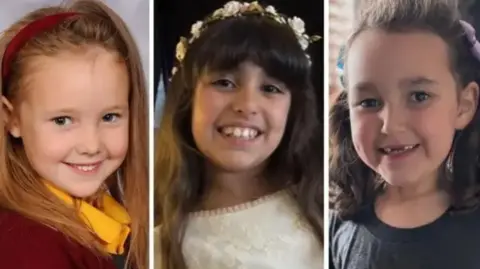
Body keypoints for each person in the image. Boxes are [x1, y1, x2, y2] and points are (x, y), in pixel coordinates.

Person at [154, 1, 323, 268]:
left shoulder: (322, 206)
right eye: (224, 83)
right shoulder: (159, 244)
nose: (247, 105)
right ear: (188, 98)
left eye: (270, 88)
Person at [329, 0, 480, 268]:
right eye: (369, 102)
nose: (391, 125)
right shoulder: (342, 220)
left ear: (464, 105)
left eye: (419, 96)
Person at [0, 1, 148, 269]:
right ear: (11, 118)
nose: (91, 145)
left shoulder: (103, 213)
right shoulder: (24, 246)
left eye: (109, 117)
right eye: (62, 120)